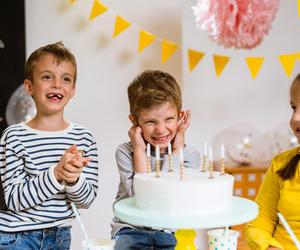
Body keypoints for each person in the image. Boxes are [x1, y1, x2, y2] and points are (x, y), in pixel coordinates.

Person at [0, 41, 98, 249]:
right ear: (29, 87)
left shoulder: (84, 138)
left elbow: (86, 200)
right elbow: (15, 200)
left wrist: (73, 179)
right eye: (47, 77)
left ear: (72, 90)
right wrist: (56, 173)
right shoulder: (14, 136)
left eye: (66, 79)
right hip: (16, 237)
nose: (56, 84)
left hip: (60, 237)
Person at [111, 69, 200, 250]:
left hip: (167, 230)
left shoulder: (189, 156)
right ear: (134, 121)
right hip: (130, 229)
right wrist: (139, 151)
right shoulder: (126, 152)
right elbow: (141, 197)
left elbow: (170, 194)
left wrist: (176, 150)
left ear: (180, 117)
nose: (161, 130)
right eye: (151, 122)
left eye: (169, 119)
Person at [245, 73, 300, 250]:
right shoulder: (281, 164)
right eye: (294, 108)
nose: (295, 118)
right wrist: (268, 247)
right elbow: (258, 223)